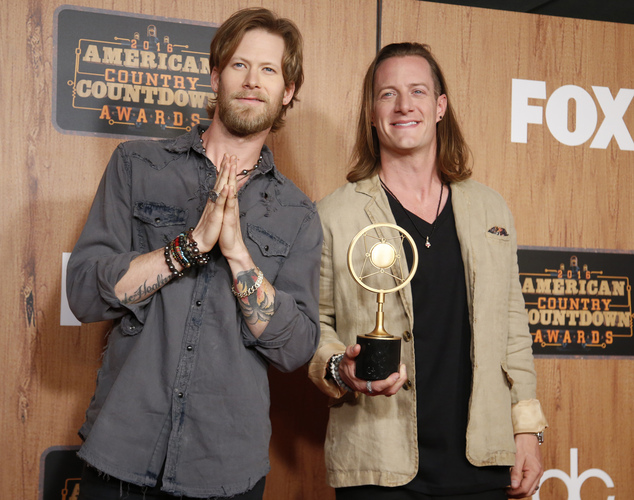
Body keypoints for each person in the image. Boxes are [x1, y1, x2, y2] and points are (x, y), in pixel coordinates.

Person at [67, 8, 321, 499]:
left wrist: (238, 255)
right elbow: (83, 292)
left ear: (287, 92)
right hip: (123, 453)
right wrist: (189, 246)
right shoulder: (136, 166)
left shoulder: (298, 213)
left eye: (269, 70)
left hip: (225, 468)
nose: (252, 81)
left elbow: (295, 348)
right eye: (239, 65)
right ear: (215, 75)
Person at [308, 43, 548, 500]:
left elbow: (513, 328)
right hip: (378, 466)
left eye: (418, 91)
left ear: (439, 107)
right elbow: (314, 324)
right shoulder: (334, 215)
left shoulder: (490, 209)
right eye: (388, 94)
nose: (404, 106)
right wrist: (341, 369)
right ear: (372, 110)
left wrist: (527, 431)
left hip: (482, 462)